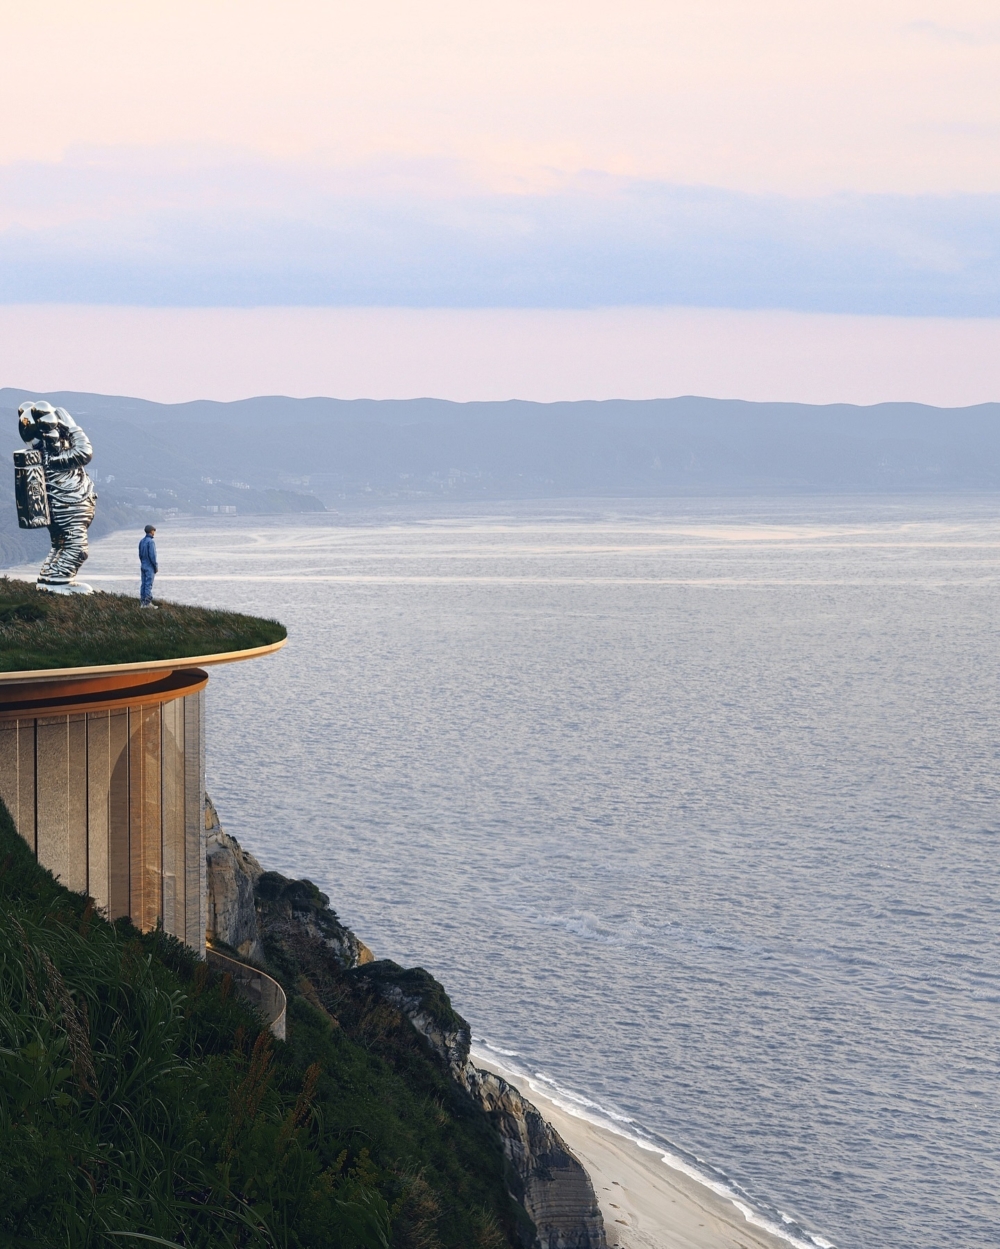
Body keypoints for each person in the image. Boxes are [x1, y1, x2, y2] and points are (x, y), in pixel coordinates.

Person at [139, 525, 158, 607]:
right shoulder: (151, 542)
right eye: (154, 531)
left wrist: (142, 562)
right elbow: (152, 555)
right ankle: (148, 603)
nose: (154, 532)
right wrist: (155, 566)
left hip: (143, 565)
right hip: (149, 566)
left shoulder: (142, 541)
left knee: (143, 584)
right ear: (151, 531)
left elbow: (140, 554)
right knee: (148, 584)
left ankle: (143, 602)